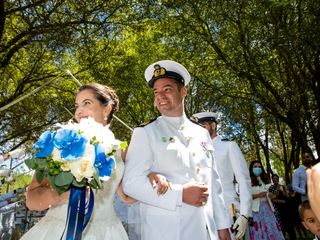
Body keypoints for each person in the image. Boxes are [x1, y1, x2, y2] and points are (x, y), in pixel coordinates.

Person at [123, 60, 231, 240]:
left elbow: (214, 183)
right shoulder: (145, 132)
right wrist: (180, 194)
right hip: (167, 232)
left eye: (167, 89)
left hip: (207, 230)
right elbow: (131, 183)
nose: (160, 96)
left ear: (183, 91)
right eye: (156, 92)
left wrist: (222, 225)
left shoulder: (202, 133)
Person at [21, 83, 131, 240]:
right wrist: (59, 195)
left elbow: (128, 195)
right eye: (77, 105)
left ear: (106, 109)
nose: (79, 111)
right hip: (60, 231)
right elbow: (31, 200)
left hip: (107, 233)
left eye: (87, 103)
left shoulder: (122, 150)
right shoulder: (58, 145)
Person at [192, 112, 252, 239]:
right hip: (203, 212)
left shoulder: (228, 146)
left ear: (213, 125)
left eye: (203, 126)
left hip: (228, 210)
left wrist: (245, 214)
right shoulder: (194, 151)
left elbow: (243, 180)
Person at [249, 160, 285, 239]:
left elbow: (267, 194)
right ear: (251, 169)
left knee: (271, 229)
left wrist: (270, 195)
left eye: (259, 167)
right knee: (260, 231)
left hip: (267, 209)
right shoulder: (247, 181)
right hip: (256, 211)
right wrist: (258, 195)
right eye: (255, 167)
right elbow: (245, 197)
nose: (257, 168)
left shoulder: (263, 180)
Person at [269, 174, 296, 240]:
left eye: (276, 178)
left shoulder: (282, 186)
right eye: (274, 178)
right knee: (282, 226)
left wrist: (285, 192)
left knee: (290, 225)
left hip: (286, 208)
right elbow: (272, 199)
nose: (275, 179)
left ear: (278, 179)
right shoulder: (271, 188)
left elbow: (287, 196)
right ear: (272, 180)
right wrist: (278, 193)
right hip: (278, 210)